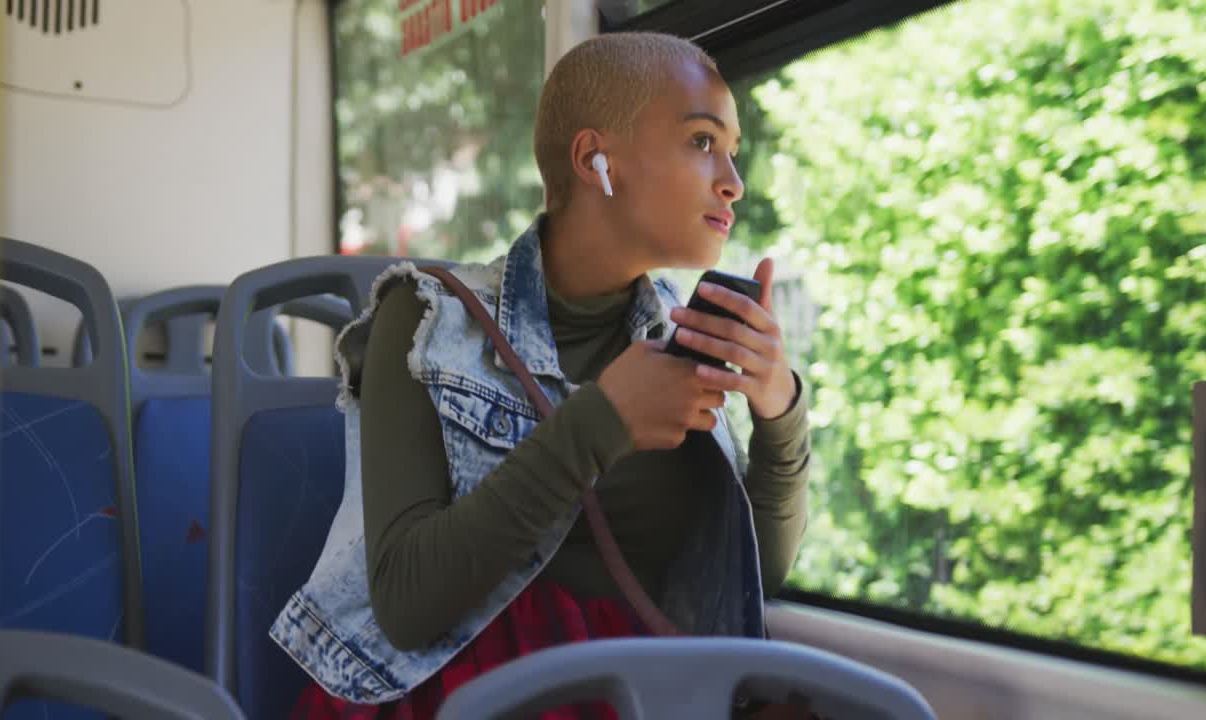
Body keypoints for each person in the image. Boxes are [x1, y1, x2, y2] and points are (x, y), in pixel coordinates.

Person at [272, 31, 812, 719]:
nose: (734, 180)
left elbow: (752, 576)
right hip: (473, 692)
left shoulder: (677, 332)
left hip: (652, 691)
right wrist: (602, 422)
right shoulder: (425, 320)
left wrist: (779, 409)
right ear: (596, 159)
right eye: (704, 142)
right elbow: (407, 607)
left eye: (732, 151)